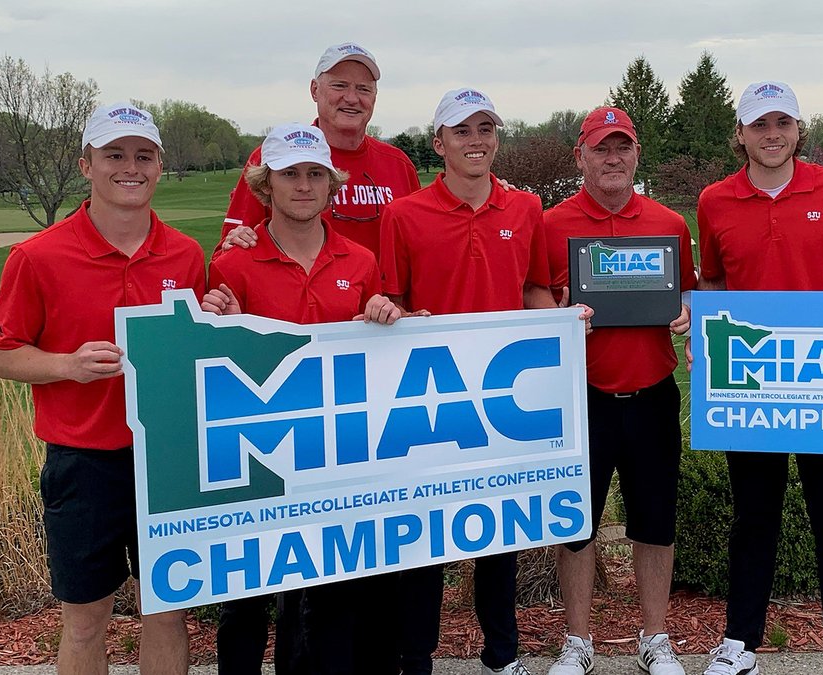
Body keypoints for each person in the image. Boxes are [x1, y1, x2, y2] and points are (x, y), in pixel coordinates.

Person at [213, 41, 419, 675]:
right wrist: (213, 316)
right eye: (289, 175)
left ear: (332, 184)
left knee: (332, 592)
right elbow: (212, 349)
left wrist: (386, 317)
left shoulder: (358, 263)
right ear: (265, 182)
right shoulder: (234, 264)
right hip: (260, 450)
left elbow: (381, 313)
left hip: (338, 446)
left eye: (314, 176)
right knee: (248, 598)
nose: (302, 186)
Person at [0, 102, 204, 675]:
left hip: (169, 460)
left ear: (159, 167)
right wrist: (66, 364)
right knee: (85, 620)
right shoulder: (37, 256)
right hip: (84, 464)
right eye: (114, 155)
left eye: (143, 156)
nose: (129, 167)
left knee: (168, 613)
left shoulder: (186, 254)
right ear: (86, 165)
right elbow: (1, 356)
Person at [380, 87, 591, 675]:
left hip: (503, 399)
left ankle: (502, 654)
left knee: (497, 539)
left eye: (485, 130)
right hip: (429, 399)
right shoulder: (403, 214)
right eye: (462, 131)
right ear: (438, 142)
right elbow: (392, 300)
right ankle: (413, 657)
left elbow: (534, 288)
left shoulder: (526, 210)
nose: (476, 142)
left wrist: (557, 326)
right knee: (420, 541)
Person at [695, 82, 823, 675]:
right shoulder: (714, 201)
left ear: (799, 130)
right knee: (753, 515)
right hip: (753, 382)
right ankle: (740, 643)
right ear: (741, 134)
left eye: (783, 122)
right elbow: (713, 285)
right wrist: (709, 345)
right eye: (760, 125)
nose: (772, 134)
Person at [541, 107, 694, 675]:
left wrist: (684, 315)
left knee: (655, 522)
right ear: (580, 156)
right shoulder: (551, 223)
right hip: (579, 398)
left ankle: (654, 638)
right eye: (600, 148)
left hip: (652, 392)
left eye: (621, 147)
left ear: (635, 155)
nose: (612, 158)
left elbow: (690, 296)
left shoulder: (667, 223)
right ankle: (577, 641)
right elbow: (534, 291)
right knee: (575, 523)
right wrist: (553, 313)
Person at [218, 41, 421, 258]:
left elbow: (419, 249)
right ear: (315, 90)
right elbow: (227, 255)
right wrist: (235, 240)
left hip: (381, 292)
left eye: (363, 89)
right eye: (339, 85)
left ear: (374, 97)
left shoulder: (399, 164)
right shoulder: (275, 158)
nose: (352, 98)